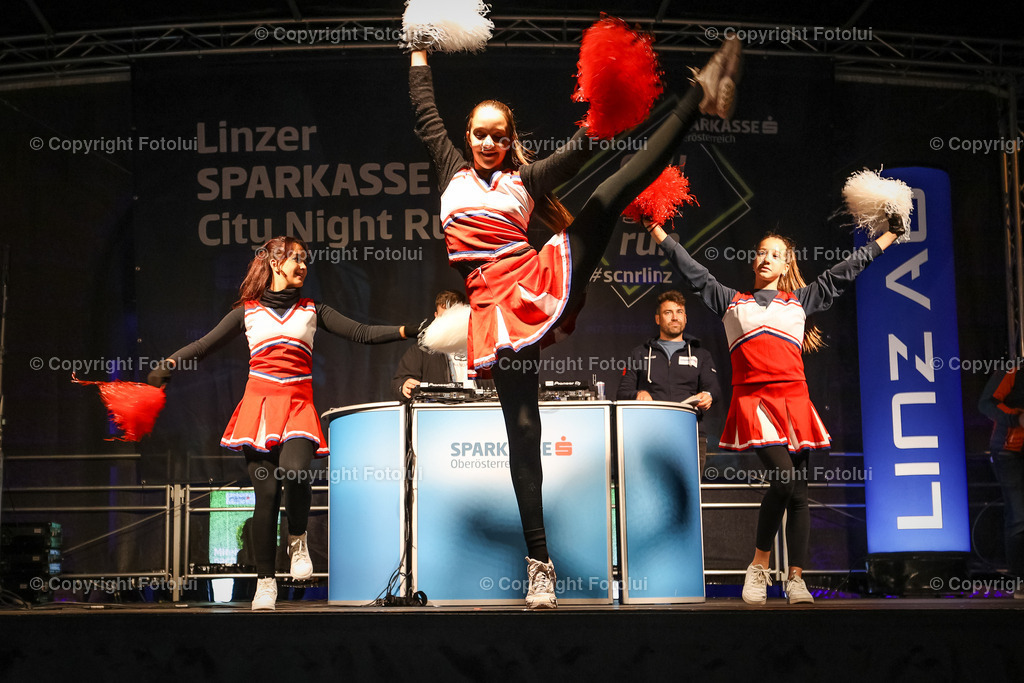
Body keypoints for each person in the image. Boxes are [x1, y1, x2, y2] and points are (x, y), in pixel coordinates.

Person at [409, 36, 741, 608]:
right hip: (494, 310)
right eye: (479, 133)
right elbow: (424, 111)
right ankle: (541, 565)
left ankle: (696, 99)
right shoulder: (450, 172)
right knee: (523, 431)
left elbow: (584, 145)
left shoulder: (525, 180)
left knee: (610, 194)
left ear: (510, 141)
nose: (488, 141)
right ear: (467, 139)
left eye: (499, 134)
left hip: (537, 279)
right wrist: (417, 53)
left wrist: (606, 113)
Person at [147, 236, 415, 610]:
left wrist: (408, 330)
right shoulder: (248, 312)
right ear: (275, 264)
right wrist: (169, 364)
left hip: (298, 407)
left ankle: (298, 537)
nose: (303, 267)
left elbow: (361, 332)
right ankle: (265, 583)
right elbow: (204, 345)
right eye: (296, 260)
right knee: (267, 497)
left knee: (295, 473)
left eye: (306, 261)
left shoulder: (313, 310)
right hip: (257, 410)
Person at [647, 221, 901, 605]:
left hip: (796, 402)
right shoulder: (730, 300)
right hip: (755, 402)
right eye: (762, 252)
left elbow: (850, 267)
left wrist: (889, 236)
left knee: (799, 494)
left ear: (786, 265)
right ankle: (759, 566)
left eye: (776, 254)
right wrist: (656, 230)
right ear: (754, 261)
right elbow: (690, 268)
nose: (767, 258)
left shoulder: (801, 300)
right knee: (783, 482)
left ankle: (796, 578)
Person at [617, 290, 720, 473]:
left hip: (690, 433)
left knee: (688, 495)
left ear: (685, 318)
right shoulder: (640, 353)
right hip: (651, 435)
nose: (675, 317)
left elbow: (714, 389)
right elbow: (623, 392)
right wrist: (638, 394)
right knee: (652, 491)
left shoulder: (701, 354)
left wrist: (708, 395)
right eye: (668, 312)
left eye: (679, 312)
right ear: (657, 319)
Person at [978, 366, 1024, 598]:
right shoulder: (1012, 371)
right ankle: (1020, 581)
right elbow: (986, 403)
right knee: (1019, 516)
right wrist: (1016, 418)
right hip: (1009, 451)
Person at [391, 289, 477, 399]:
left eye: (454, 317)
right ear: (436, 316)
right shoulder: (421, 350)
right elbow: (398, 383)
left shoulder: (482, 348)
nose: (449, 323)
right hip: (439, 413)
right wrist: (403, 385)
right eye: (444, 317)